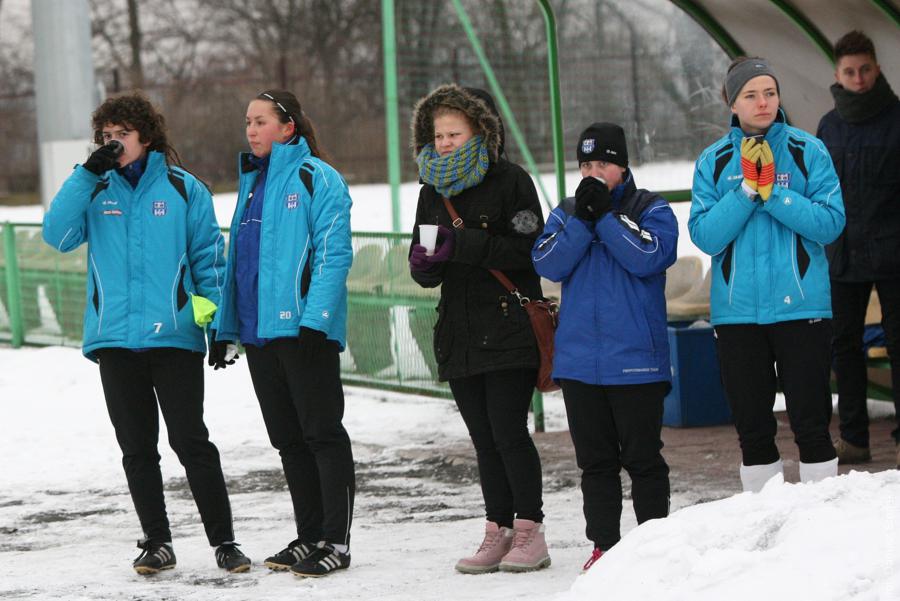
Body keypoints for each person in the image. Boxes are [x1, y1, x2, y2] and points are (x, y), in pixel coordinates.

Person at [41, 92, 250, 575]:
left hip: (173, 338)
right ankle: (157, 542)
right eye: (105, 137)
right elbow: (56, 234)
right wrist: (87, 172)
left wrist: (218, 326)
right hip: (114, 340)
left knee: (191, 442)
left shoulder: (183, 189)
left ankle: (225, 541)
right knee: (137, 448)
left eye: (122, 135)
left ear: (146, 137)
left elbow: (208, 261)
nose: (113, 144)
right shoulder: (94, 188)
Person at [212, 89, 356, 578]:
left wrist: (315, 322)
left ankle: (335, 540)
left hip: (302, 333)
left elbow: (333, 255)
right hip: (259, 335)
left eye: (260, 121)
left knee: (321, 435)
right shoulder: (253, 182)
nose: (250, 130)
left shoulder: (317, 178)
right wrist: (225, 328)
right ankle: (310, 533)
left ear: (288, 126)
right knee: (288, 441)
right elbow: (241, 264)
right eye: (247, 122)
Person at [408, 84, 550, 574]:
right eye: (438, 134)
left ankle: (531, 530)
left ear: (479, 132)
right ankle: (498, 530)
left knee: (509, 431)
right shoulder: (431, 190)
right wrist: (424, 263)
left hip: (508, 325)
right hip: (460, 332)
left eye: (454, 133)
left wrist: (462, 245)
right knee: (483, 438)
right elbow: (426, 264)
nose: (444, 142)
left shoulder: (512, 181)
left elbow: (531, 250)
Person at [690, 58, 845, 492]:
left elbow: (831, 223)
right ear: (732, 102)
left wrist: (774, 193)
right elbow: (704, 235)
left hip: (803, 310)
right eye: (751, 95)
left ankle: (821, 518)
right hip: (737, 316)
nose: (763, 103)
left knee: (812, 424)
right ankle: (764, 528)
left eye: (770, 93)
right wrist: (744, 191)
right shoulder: (714, 161)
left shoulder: (807, 150)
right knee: (753, 431)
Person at [532, 123, 678, 571]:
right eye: (587, 165)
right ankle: (604, 548)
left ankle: (653, 546)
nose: (594, 173)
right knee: (595, 464)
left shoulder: (650, 207)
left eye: (604, 164)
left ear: (623, 165)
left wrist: (608, 220)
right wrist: (582, 221)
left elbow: (651, 257)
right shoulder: (567, 212)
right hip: (579, 364)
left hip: (636, 363)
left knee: (643, 459)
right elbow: (547, 261)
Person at [816, 31, 900, 468]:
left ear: (878, 69)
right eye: (850, 71)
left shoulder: (897, 118)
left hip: (892, 251)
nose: (859, 78)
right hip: (843, 253)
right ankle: (854, 439)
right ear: (837, 74)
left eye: (865, 69)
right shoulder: (829, 126)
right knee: (842, 346)